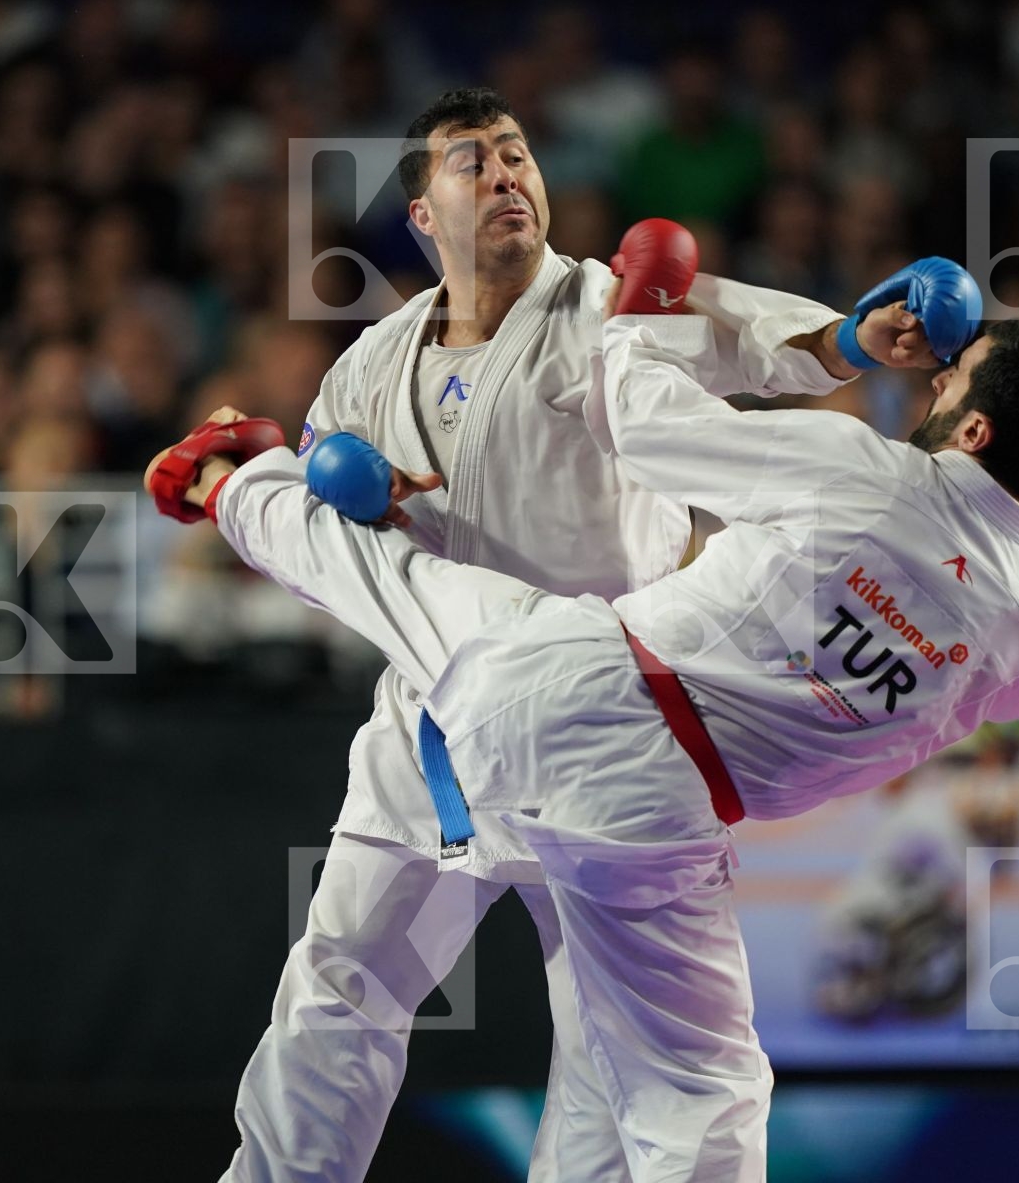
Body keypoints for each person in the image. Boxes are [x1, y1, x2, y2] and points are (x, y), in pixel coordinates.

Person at [147, 301, 1019, 1179]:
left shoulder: (871, 473)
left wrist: (641, 317)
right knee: (696, 1090)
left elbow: (644, 424)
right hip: (663, 823)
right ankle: (235, 482)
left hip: (578, 688)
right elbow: (982, 653)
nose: (932, 384)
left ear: (973, 429)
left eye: (952, 378)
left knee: (380, 567)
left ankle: (230, 478)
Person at [215, 85, 937, 1182]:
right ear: (421, 216)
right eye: (474, 162)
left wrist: (847, 337)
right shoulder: (369, 363)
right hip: (432, 730)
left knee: (610, 1053)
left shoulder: (609, 309)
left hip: (602, 732)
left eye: (517, 156)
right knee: (339, 987)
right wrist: (319, 481)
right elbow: (330, 519)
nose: (508, 175)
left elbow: (744, 336)